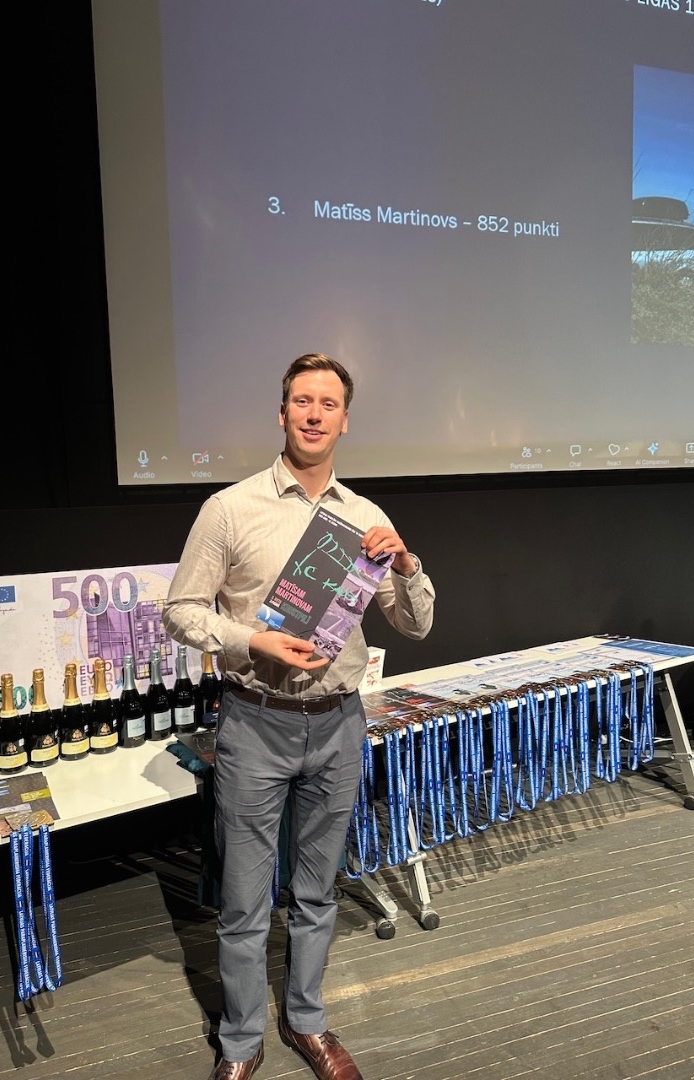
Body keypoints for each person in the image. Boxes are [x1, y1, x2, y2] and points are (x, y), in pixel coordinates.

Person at [163, 353, 435, 1080]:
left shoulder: (367, 518)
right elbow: (180, 611)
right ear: (282, 413)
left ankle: (306, 1020)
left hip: (339, 724)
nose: (314, 414)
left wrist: (407, 565)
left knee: (318, 890)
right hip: (255, 722)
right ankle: (241, 1040)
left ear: (345, 421)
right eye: (302, 401)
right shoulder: (230, 508)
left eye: (328, 404)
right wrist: (251, 639)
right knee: (245, 900)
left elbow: (415, 624)